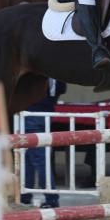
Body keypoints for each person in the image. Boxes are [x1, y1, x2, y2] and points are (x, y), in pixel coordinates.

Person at [20, 78, 67, 208]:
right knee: (29, 157)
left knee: (38, 159)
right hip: (45, 113)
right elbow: (62, 88)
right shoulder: (55, 70)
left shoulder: (35, 70)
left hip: (30, 113)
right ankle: (24, 196)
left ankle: (51, 198)